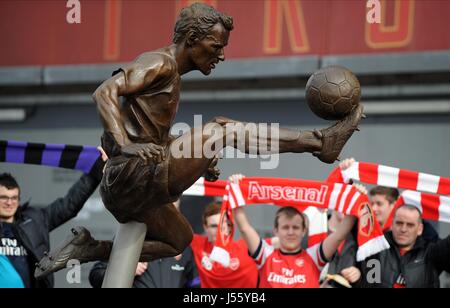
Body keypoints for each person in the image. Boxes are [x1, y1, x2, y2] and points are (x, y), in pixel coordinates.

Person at [36, 3, 363, 277]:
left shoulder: (170, 74)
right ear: (192, 39)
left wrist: (195, 159)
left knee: (178, 239)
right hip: (130, 175)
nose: (221, 55)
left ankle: (91, 248)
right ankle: (320, 143)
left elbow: (150, 136)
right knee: (221, 130)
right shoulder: (159, 62)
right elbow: (104, 92)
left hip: (134, 186)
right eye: (216, 46)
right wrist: (124, 145)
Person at [230, 174, 357, 288]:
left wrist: (353, 199)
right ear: (275, 230)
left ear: (303, 231)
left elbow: (340, 234)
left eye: (295, 227)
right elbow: (244, 228)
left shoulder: (313, 257)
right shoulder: (265, 255)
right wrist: (236, 189)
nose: (290, 232)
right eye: (285, 227)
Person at [0, 161, 103, 288]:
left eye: (14, 198)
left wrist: (96, 167)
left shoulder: (34, 221)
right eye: (4, 197)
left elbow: (68, 205)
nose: (9, 203)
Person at [89, 201, 199, 288]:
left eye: (173, 214)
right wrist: (125, 270)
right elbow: (95, 276)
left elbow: (195, 284)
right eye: (164, 212)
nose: (168, 219)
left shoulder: (183, 247)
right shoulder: (130, 240)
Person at [356, 204, 450, 288]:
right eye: (399, 223)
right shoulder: (376, 249)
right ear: (392, 224)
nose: (403, 229)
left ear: (420, 229)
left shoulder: (431, 253)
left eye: (410, 225)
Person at [190, 201, 258, 288]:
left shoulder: (247, 248)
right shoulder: (198, 244)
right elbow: (174, 230)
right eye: (214, 226)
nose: (220, 231)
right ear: (205, 227)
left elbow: (274, 243)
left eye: (225, 225)